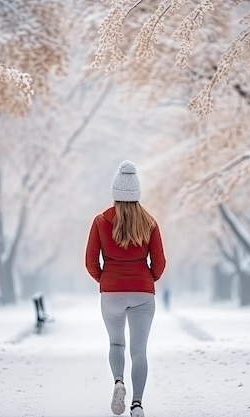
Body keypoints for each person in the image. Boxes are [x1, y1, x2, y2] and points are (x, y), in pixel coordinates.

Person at [85, 160, 166, 417]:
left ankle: (119, 381)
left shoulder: (100, 221)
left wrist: (106, 280)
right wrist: (146, 279)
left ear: (115, 193)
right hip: (142, 292)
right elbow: (160, 263)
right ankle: (138, 404)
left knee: (116, 344)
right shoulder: (150, 223)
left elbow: (90, 262)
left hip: (111, 293)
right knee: (139, 350)